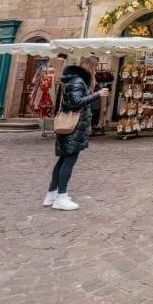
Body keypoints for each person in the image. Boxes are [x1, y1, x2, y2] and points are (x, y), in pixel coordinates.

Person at [43, 56, 108, 211]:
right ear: (90, 68)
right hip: (73, 126)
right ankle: (61, 197)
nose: (96, 71)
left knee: (62, 160)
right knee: (68, 162)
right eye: (95, 68)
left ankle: (52, 194)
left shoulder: (73, 80)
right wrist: (98, 94)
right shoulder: (78, 81)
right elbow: (76, 102)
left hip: (71, 126)